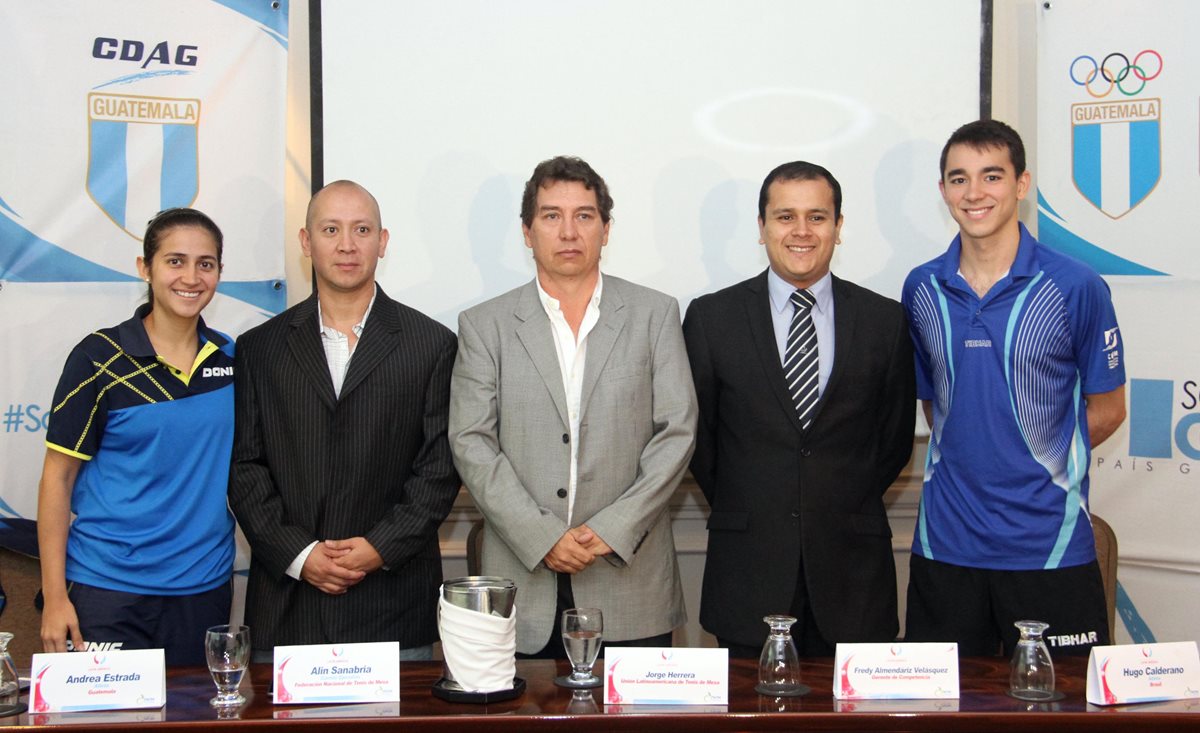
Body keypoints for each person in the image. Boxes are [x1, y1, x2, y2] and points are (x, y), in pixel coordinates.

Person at [449, 156, 697, 656]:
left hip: (630, 584)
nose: (568, 231)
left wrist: (609, 530)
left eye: (584, 216)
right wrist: (542, 537)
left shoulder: (655, 314)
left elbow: (677, 433)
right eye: (551, 216)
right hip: (521, 586)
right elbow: (471, 442)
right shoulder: (485, 325)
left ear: (606, 230)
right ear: (527, 231)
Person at [902, 119, 1127, 656]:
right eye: (959, 179)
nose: (974, 193)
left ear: (1022, 184)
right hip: (945, 546)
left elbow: (1110, 409)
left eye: (992, 176)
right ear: (943, 192)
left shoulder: (1077, 285)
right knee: (942, 711)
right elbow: (937, 405)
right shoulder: (921, 287)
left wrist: (1036, 463)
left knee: (1060, 710)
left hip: (1047, 547)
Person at [683, 162, 915, 657]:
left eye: (817, 216)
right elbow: (700, 444)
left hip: (853, 574)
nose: (802, 231)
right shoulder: (710, 318)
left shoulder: (885, 321)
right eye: (785, 216)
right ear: (762, 228)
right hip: (749, 569)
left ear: (838, 226)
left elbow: (892, 442)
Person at [228, 180, 459, 661]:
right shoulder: (260, 348)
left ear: (383, 241)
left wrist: (379, 547)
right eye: (331, 229)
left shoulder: (431, 344)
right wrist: (300, 555)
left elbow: (439, 468)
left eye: (362, 229)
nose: (347, 245)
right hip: (289, 606)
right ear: (306, 242)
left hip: (393, 602)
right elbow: (244, 467)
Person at [38, 208, 235, 665]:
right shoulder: (96, 359)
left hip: (202, 591)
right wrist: (54, 597)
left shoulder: (232, 360)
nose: (191, 277)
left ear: (219, 273)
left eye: (206, 264)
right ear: (144, 268)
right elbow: (57, 479)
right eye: (175, 261)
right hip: (107, 592)